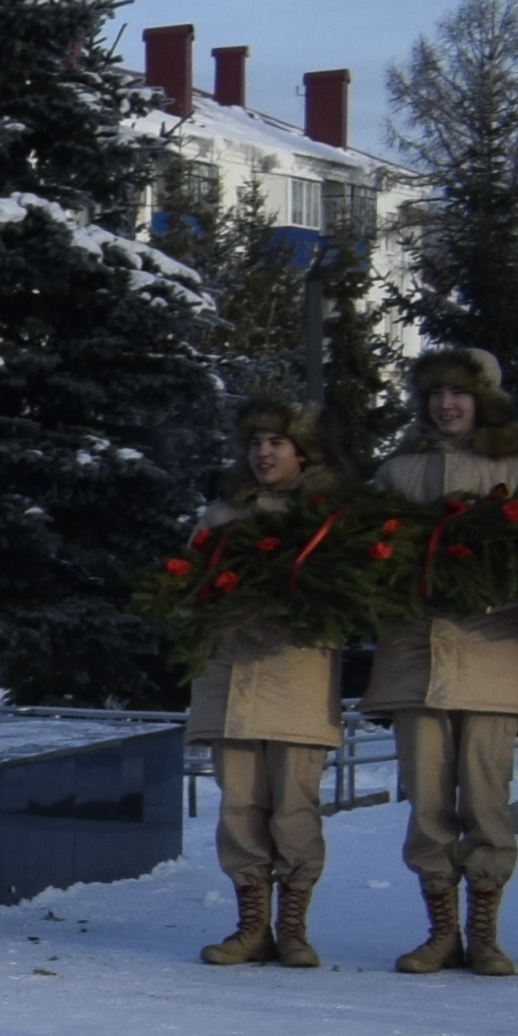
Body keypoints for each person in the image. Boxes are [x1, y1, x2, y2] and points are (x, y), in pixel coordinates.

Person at [373, 347, 518, 976]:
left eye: (460, 394)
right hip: (415, 659)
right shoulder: (398, 474)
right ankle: (440, 932)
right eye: (435, 394)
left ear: (485, 400)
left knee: (486, 799)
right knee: (426, 803)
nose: (447, 405)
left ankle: (485, 931)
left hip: (494, 656)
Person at [183, 403, 346, 971]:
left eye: (278, 441)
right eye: (256, 441)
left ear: (303, 452)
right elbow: (186, 590)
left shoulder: (327, 518)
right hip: (230, 684)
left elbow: (350, 600)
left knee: (294, 809)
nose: (265, 452)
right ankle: (252, 925)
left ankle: (294, 929)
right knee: (239, 808)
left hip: (297, 681)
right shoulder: (220, 517)